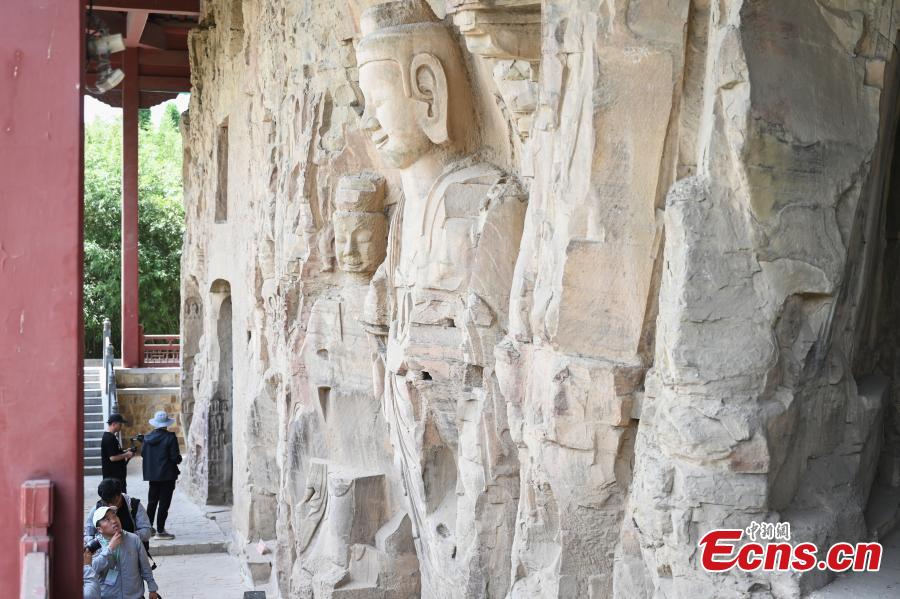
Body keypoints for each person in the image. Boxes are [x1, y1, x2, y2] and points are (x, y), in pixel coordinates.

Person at [89, 506, 159, 599]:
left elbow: (145, 567)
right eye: (107, 519)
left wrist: (152, 588)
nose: (114, 521)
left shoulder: (133, 539)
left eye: (114, 516)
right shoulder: (95, 546)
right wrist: (109, 549)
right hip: (107, 596)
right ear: (99, 529)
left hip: (135, 596)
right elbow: (92, 570)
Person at [142, 410, 182, 540]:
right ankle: (160, 530)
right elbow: (175, 457)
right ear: (166, 424)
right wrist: (179, 459)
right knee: (164, 504)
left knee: (152, 502)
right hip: (167, 475)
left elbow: (143, 454)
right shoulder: (170, 437)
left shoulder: (147, 438)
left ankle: (148, 529)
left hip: (153, 476)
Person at [84, 478, 152, 547]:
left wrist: (127, 537)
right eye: (107, 503)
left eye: (115, 501)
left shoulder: (134, 505)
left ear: (120, 494)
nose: (111, 505)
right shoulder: (96, 509)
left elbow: (147, 531)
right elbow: (89, 534)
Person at [101, 414, 134, 493]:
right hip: (113, 478)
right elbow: (112, 457)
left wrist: (125, 451)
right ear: (113, 424)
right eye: (120, 424)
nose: (121, 426)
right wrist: (126, 455)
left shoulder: (112, 437)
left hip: (117, 476)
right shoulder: (109, 438)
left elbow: (115, 452)